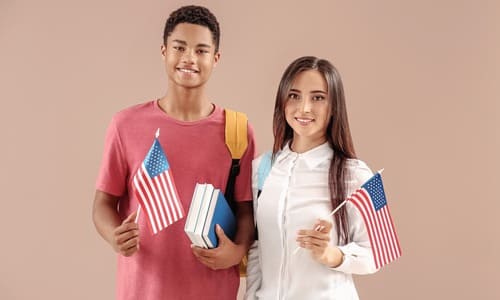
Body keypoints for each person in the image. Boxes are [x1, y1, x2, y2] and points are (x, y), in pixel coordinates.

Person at [92, 5, 255, 300]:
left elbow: (245, 210)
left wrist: (238, 251)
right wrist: (115, 236)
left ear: (215, 58)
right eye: (179, 47)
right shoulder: (125, 124)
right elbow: (103, 204)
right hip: (142, 289)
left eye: (201, 50)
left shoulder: (238, 130)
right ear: (164, 51)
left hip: (213, 289)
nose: (189, 58)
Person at [245, 56, 378, 300]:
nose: (304, 108)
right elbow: (257, 251)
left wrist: (330, 254)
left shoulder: (356, 174)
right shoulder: (261, 170)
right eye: (294, 95)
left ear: (334, 106)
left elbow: (376, 253)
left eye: (318, 97)